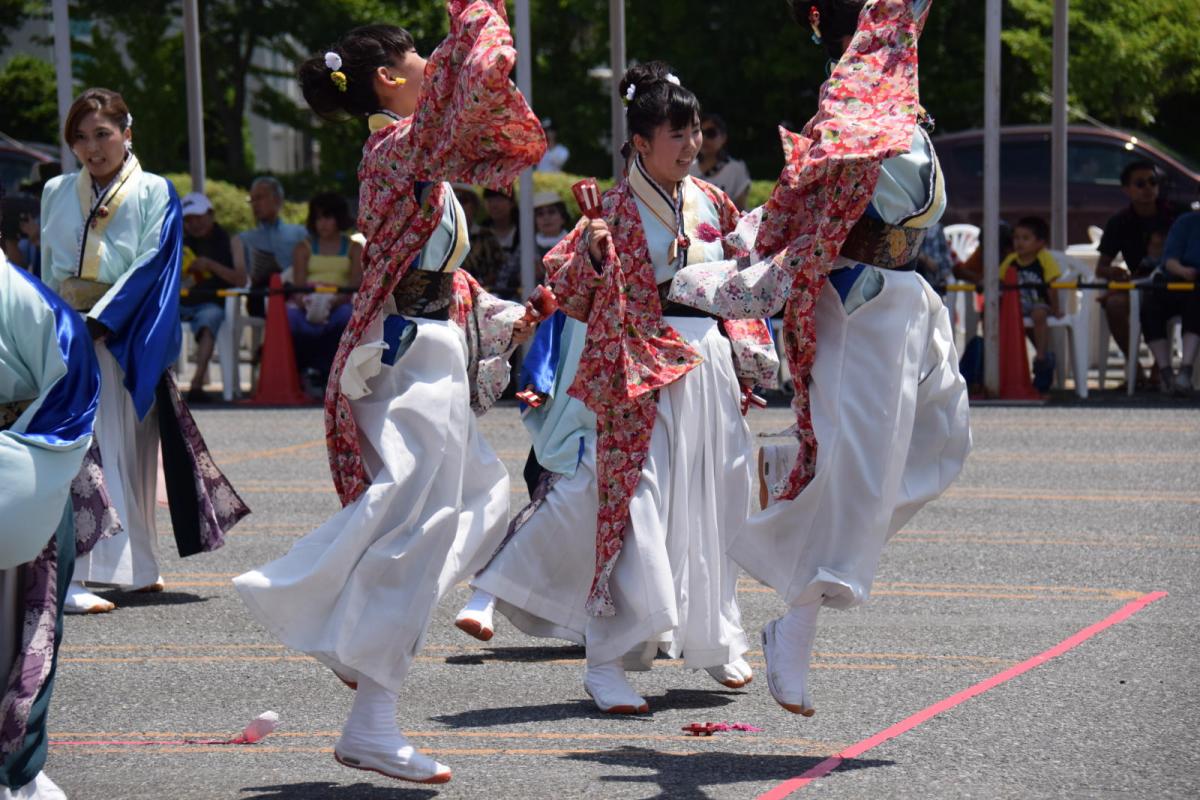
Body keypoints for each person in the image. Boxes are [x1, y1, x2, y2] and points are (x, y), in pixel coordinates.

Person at [234, 3, 545, 785]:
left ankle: (343, 628)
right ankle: (333, 631)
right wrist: (475, 16)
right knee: (420, 520)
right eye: (419, 61)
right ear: (388, 78)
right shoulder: (399, 148)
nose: (432, 69)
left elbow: (436, 272)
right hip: (409, 356)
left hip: (420, 347)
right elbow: (463, 96)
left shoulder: (409, 152)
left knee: (463, 507)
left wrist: (500, 313)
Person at [666, 0, 969, 716]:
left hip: (905, 294)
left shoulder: (886, 97)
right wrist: (728, 254)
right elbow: (799, 210)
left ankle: (797, 476)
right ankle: (797, 619)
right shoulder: (851, 104)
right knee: (858, 475)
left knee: (942, 440)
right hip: (860, 296)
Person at [507, 61, 778, 715]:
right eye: (676, 135)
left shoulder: (712, 199)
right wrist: (592, 255)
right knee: (637, 509)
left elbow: (743, 268)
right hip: (642, 368)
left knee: (719, 499)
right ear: (640, 143)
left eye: (695, 132)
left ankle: (715, 637)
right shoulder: (612, 209)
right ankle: (606, 661)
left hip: (708, 360)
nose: (690, 146)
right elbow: (567, 286)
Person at [39, 88, 249, 615]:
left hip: (123, 332)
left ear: (126, 133)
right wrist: (50, 323)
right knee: (82, 449)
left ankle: (134, 565)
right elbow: (47, 269)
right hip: (68, 335)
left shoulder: (155, 190)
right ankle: (73, 573)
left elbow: (154, 263)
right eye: (80, 138)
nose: (92, 148)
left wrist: (103, 320)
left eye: (102, 134)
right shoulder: (57, 190)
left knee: (130, 450)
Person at [1, 224, 109, 800]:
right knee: (29, 628)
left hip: (22, 468)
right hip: (26, 464)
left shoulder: (23, 298)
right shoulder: (29, 298)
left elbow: (72, 389)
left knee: (28, 627)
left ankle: (17, 769)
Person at [1096, 160, 1179, 386]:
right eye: (1140, 183)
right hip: (1138, 284)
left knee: (1167, 303)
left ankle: (1160, 370)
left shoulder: (1176, 215)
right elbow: (1101, 266)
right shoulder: (1119, 221)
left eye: (1153, 182)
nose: (1148, 188)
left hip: (1175, 285)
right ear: (1127, 189)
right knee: (1114, 305)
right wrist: (1114, 272)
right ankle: (1135, 368)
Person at [288, 191, 363, 393]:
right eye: (318, 218)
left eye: (327, 217)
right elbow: (298, 285)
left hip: (340, 303)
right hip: (307, 303)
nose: (322, 223)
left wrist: (333, 301)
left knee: (346, 318)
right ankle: (303, 372)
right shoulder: (302, 248)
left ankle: (329, 373)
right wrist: (309, 303)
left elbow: (355, 283)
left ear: (339, 218)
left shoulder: (354, 248)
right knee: (291, 319)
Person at [180, 192, 247, 402]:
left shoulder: (231, 241)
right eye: (188, 220)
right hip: (181, 301)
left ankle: (196, 383)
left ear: (211, 214)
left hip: (213, 302)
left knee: (209, 320)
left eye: (198, 217)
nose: (194, 224)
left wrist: (210, 266)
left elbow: (241, 280)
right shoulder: (179, 241)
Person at [1000, 216, 1062, 392]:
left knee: (1039, 314)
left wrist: (1055, 309)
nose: (1019, 242)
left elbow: (1052, 287)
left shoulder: (1044, 259)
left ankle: (1041, 357)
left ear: (1040, 243)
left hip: (1038, 303)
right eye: (1016, 238)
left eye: (1025, 238)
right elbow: (998, 280)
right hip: (1016, 306)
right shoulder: (1011, 260)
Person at [1143, 211, 1200, 395]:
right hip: (1177, 280)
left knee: (1196, 301)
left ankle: (1186, 370)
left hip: (1197, 291)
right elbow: (1169, 260)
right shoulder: (1186, 222)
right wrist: (1184, 271)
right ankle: (1166, 373)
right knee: (1150, 304)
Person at [239, 176, 307, 316]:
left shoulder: (299, 233)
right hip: (260, 297)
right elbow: (242, 277)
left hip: (293, 294)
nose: (255, 204)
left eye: (259, 198)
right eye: (252, 200)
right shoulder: (244, 239)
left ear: (277, 200)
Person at [689, 112, 752, 210]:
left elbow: (740, 209)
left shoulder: (736, 169)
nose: (705, 138)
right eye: (700, 133)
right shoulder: (688, 167)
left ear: (723, 138)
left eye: (711, 133)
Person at [454, 183, 509, 292]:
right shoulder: (436, 237)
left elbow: (500, 271)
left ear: (474, 206)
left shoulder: (487, 236)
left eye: (463, 200)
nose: (458, 205)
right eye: (453, 201)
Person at [481, 187, 521, 298]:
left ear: (511, 202)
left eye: (499, 199)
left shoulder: (524, 230)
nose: (494, 205)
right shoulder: (481, 232)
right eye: (489, 200)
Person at [532, 190, 570, 284]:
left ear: (563, 217)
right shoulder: (527, 247)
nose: (546, 218)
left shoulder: (576, 243)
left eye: (551, 212)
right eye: (540, 214)